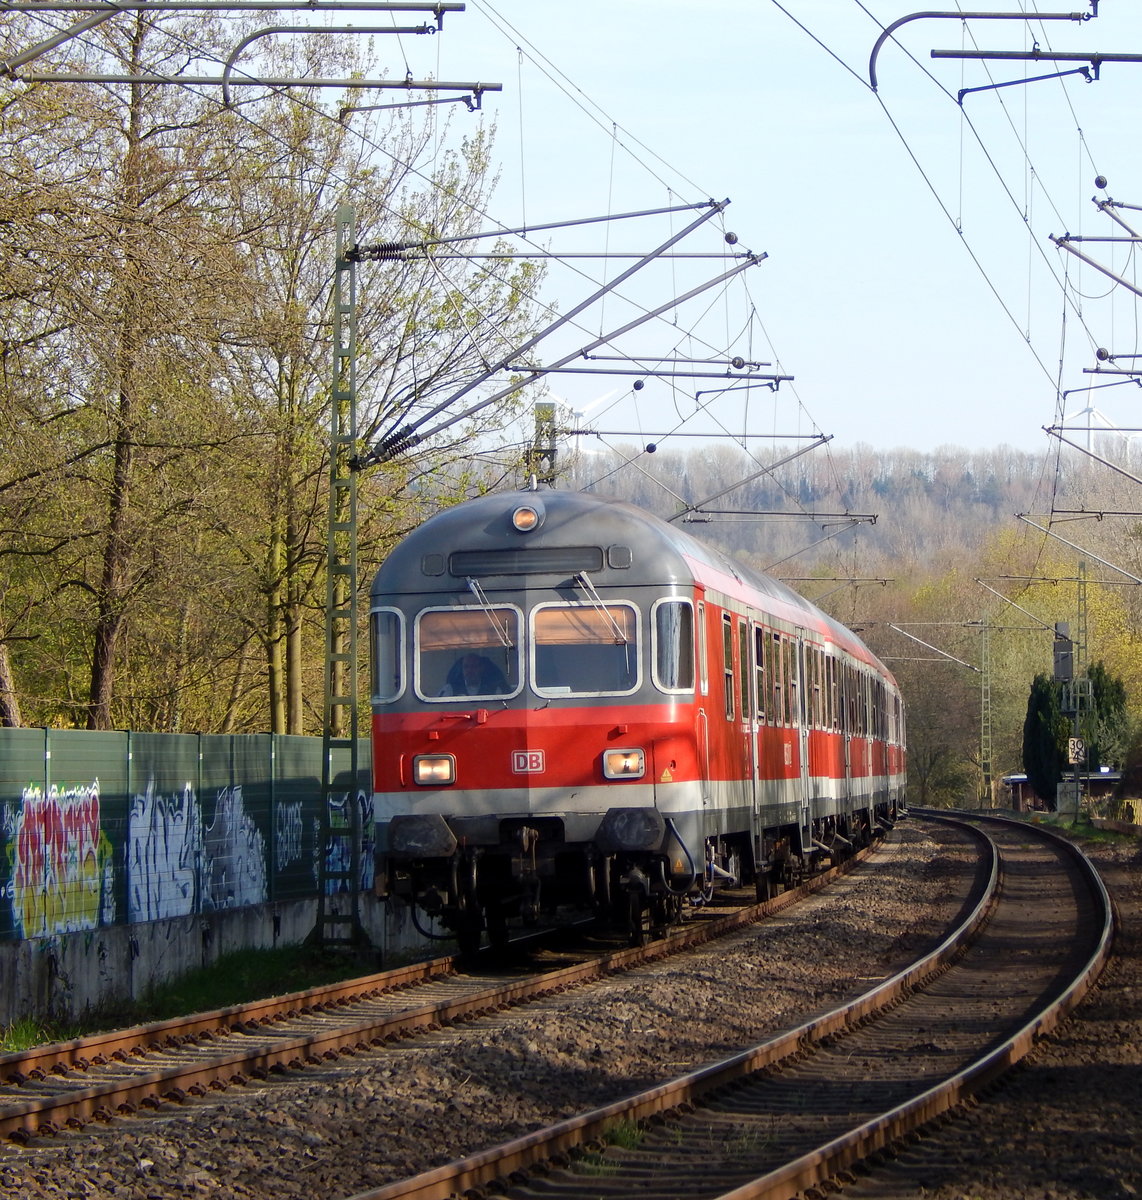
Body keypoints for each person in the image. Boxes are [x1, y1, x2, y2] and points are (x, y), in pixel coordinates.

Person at [440, 653, 509, 696]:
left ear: (481, 668)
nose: (470, 670)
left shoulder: (495, 689)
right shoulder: (450, 689)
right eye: (466, 667)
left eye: (474, 666)